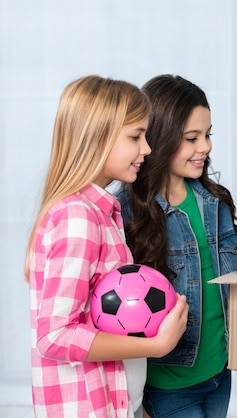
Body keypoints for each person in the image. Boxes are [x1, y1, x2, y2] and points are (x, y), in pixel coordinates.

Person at [25, 75, 189, 418]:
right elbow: (54, 336)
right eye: (135, 136)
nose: (146, 148)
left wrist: (134, 406)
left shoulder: (103, 212)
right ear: (96, 137)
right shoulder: (78, 217)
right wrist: (156, 345)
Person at [116, 74, 237, 418]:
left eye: (207, 135)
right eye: (192, 138)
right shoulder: (126, 213)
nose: (205, 147)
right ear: (158, 140)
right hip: (167, 386)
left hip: (219, 373)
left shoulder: (214, 202)